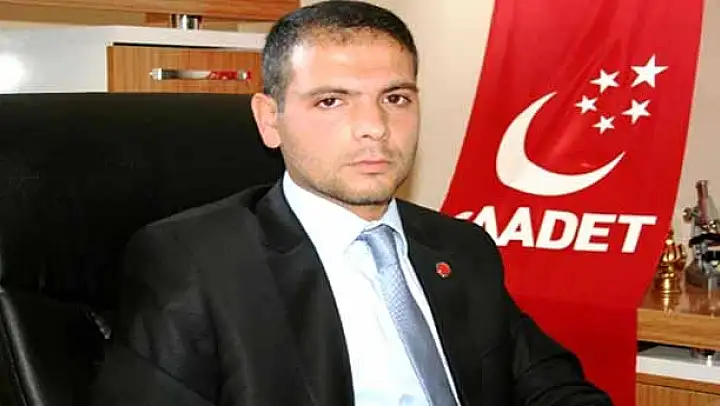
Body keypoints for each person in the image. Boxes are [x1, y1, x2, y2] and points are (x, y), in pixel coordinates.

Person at [91, 1, 613, 405]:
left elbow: (550, 386)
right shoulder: (195, 264)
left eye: (395, 98)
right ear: (270, 120)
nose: (374, 127)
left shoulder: (461, 246)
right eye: (331, 101)